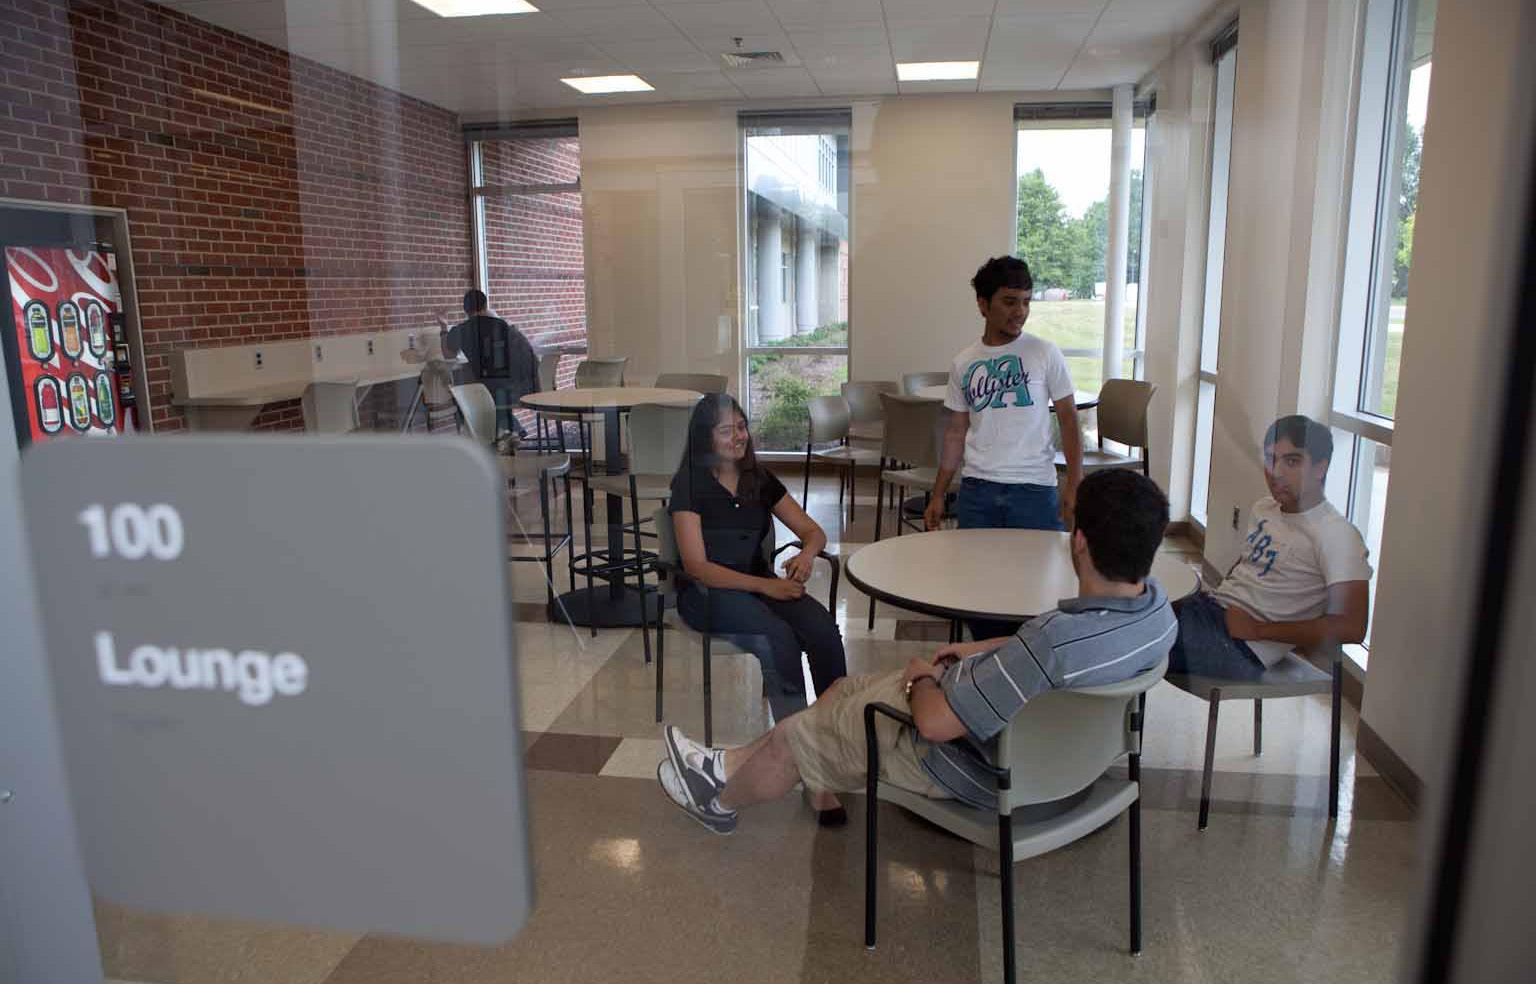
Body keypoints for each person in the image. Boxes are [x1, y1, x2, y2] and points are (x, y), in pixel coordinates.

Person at [657, 469, 1176, 835]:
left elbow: (934, 724)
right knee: (839, 689)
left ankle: (715, 800)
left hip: (970, 763)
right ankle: (723, 763)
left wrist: (920, 677)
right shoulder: (1157, 613)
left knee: (799, 737)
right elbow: (1042, 646)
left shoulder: (1051, 646)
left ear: (1078, 542)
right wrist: (978, 648)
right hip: (1063, 757)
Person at [668, 393, 851, 824]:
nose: (739, 436)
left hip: (758, 585)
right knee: (778, 640)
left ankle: (833, 740)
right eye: (726, 430)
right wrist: (768, 586)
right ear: (705, 437)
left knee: (824, 632)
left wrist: (806, 555)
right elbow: (697, 567)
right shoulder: (689, 485)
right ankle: (806, 768)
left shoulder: (759, 478)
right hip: (707, 594)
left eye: (742, 426)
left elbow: (813, 531)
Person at [923, 256, 1085, 640]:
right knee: (978, 590)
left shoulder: (1044, 353)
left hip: (1035, 491)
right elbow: (955, 432)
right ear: (983, 304)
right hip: (978, 491)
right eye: (1010, 301)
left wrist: (1075, 484)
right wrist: (938, 493)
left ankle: (1030, 662)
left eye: (1026, 302)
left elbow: (1068, 420)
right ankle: (985, 661)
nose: (1020, 312)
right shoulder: (964, 362)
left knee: (1040, 591)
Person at [1170, 414, 1372, 680]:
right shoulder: (1264, 508)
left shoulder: (1337, 535)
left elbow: (1352, 627)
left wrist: (1259, 630)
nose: (1276, 472)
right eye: (1270, 459)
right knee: (1129, 609)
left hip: (1241, 648)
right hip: (1211, 614)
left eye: (1292, 461)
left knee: (1132, 634)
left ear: (1320, 468)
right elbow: (1244, 569)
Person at [437, 289, 539, 438]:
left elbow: (448, 354)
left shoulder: (463, 330)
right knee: (489, 395)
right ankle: (511, 432)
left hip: (502, 391)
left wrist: (443, 328)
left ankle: (507, 433)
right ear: (485, 305)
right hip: (531, 386)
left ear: (466, 310)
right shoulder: (503, 325)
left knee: (470, 399)